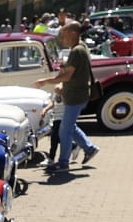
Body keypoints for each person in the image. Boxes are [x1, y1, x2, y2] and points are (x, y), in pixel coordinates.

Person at [33, 21, 99, 175]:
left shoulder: (76, 51)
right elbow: (71, 72)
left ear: (74, 34)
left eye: (64, 36)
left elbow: (68, 75)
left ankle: (63, 163)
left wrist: (46, 81)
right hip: (77, 95)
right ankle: (90, 148)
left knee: (64, 131)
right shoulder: (81, 47)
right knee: (69, 126)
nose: (62, 39)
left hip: (75, 96)